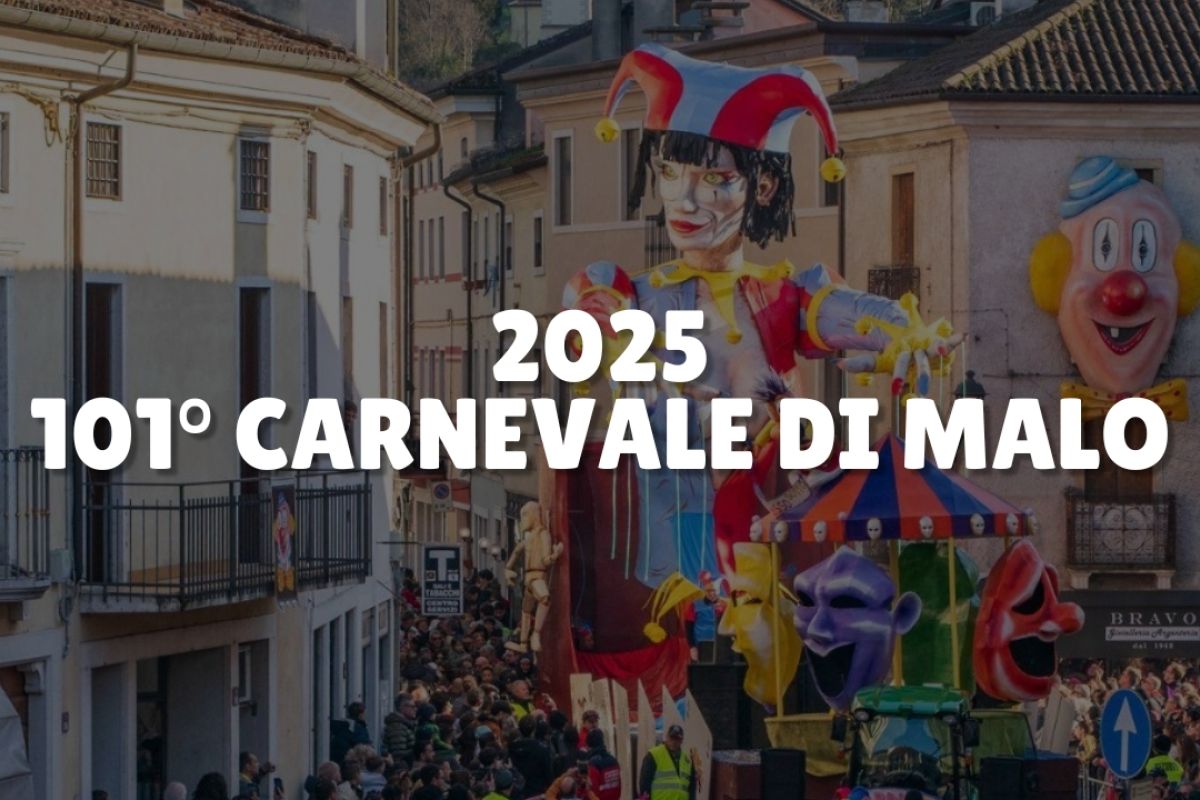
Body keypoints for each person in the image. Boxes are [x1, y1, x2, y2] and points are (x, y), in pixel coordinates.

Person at [638, 725, 694, 800]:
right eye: (672, 738)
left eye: (677, 739)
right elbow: (644, 783)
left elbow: (691, 788)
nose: (674, 742)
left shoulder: (687, 761)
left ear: (681, 741)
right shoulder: (654, 755)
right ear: (667, 737)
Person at [584, 730, 621, 800]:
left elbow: (593, 790)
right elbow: (618, 786)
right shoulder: (614, 760)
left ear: (589, 747)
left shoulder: (593, 763)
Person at [385, 695, 419, 764]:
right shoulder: (397, 727)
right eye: (412, 706)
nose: (415, 709)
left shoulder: (406, 725)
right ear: (402, 707)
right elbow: (399, 753)